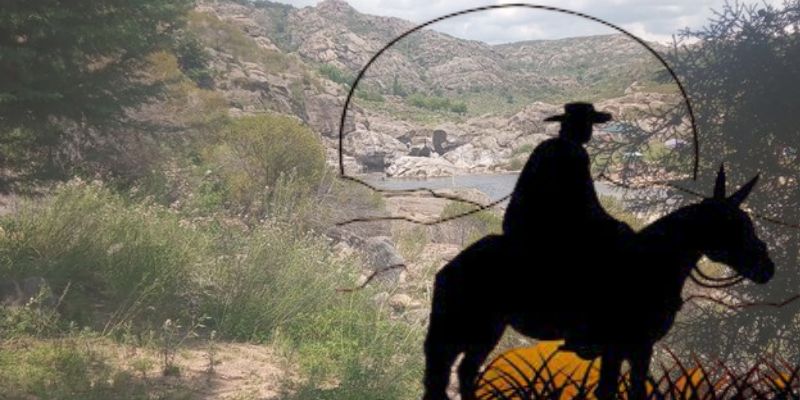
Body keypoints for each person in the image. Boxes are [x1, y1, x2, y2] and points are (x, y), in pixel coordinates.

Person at [502, 102, 634, 357]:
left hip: (521, 224)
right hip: (545, 230)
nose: (590, 131)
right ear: (580, 128)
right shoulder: (574, 153)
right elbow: (586, 203)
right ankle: (587, 329)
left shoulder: (546, 148)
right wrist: (616, 227)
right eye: (588, 126)